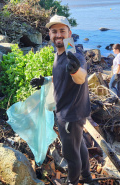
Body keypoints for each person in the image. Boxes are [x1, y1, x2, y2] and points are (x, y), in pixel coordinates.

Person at [30, 15, 93, 185]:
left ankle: (72, 182)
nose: (58, 35)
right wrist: (46, 80)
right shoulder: (60, 51)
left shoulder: (72, 50)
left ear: (69, 32)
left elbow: (81, 76)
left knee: (70, 155)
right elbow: (62, 74)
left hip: (70, 114)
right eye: (54, 31)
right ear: (49, 34)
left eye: (62, 31)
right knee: (78, 146)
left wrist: (75, 71)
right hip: (73, 110)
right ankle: (87, 178)